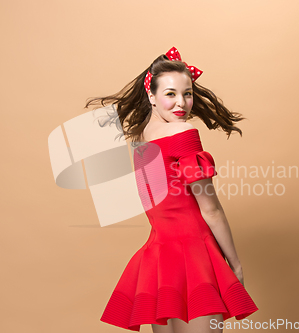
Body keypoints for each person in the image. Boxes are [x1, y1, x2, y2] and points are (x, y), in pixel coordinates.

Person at [85, 46, 258, 333]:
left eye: (187, 93)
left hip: (159, 260)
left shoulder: (141, 140)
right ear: (151, 95)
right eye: (170, 94)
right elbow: (211, 209)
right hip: (195, 256)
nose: (182, 103)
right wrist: (235, 265)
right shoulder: (183, 133)